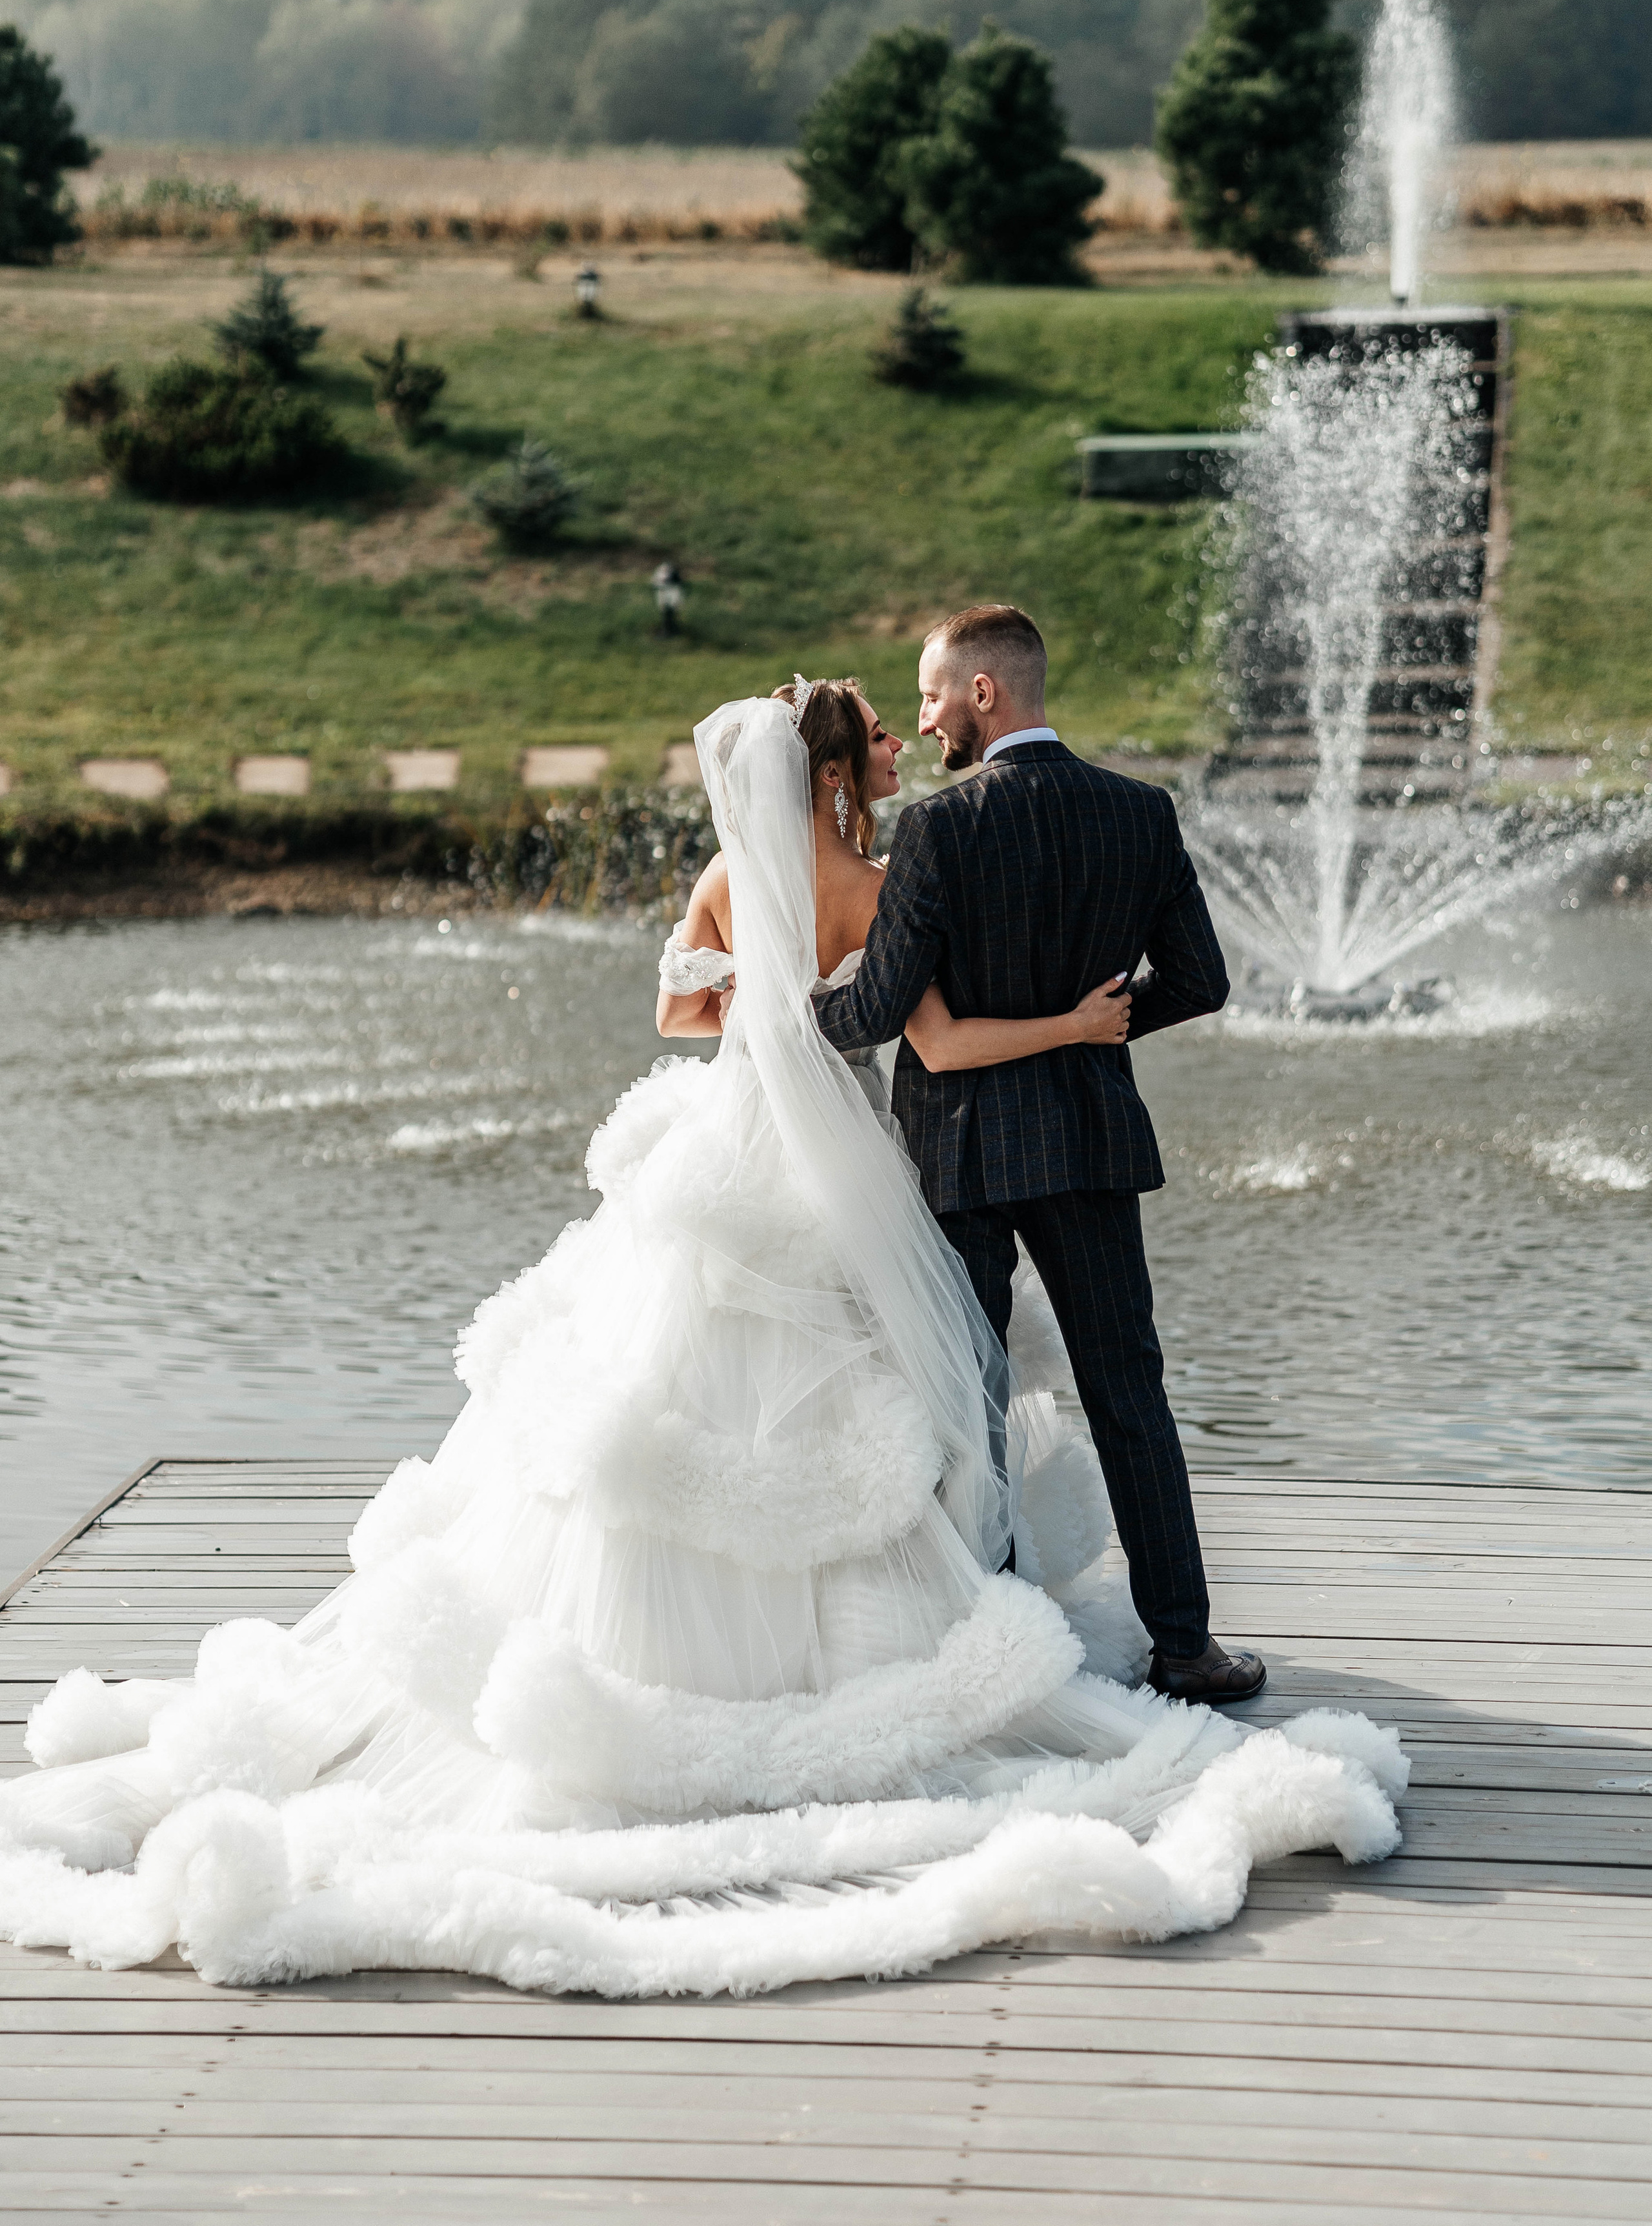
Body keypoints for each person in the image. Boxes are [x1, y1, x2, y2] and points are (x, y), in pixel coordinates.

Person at [0, 682, 1400, 1999]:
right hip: (845, 1148)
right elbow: (941, 1043)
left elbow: (681, 1005)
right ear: (843, 776)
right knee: (897, 1385)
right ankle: (998, 1630)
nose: (907, 751)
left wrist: (752, 1003)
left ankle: (662, 1651)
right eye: (883, 745)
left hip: (732, 1139)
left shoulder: (738, 874)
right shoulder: (877, 879)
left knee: (667, 1373)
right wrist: (1081, 1021)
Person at [815, 607, 1264, 1705]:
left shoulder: (939, 831)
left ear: (983, 694)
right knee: (1130, 1395)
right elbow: (1201, 981)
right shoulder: (1140, 813)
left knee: (971, 1400)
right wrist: (1104, 1020)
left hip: (962, 1151)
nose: (920, 724)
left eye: (930, 698)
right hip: (1090, 1137)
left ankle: (1006, 1645)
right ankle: (1189, 1648)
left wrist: (783, 1018)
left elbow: (874, 1011)